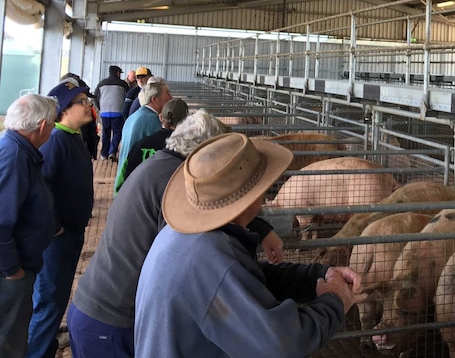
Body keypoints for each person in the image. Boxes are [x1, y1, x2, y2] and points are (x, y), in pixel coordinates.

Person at [68, 110, 286, 358]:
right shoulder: (176, 184)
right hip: (111, 322)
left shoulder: (162, 166)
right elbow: (201, 255)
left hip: (99, 311)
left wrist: (262, 229)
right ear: (205, 154)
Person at [134, 132, 364, 358]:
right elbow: (283, 344)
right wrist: (334, 301)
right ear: (253, 197)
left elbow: (245, 277)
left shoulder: (189, 236)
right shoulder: (211, 259)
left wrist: (317, 275)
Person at [26, 81, 96, 358]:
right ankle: (36, 352)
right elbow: (42, 189)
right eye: (81, 101)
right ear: (64, 110)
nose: (88, 105)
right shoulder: (55, 141)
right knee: (48, 301)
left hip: (70, 233)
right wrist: (55, 228)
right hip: (57, 239)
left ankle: (47, 344)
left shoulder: (72, 136)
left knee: (56, 297)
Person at [0, 95, 58, 358]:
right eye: (54, 123)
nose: (54, 128)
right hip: (10, 274)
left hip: (18, 266)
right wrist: (13, 272)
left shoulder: (20, 150)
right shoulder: (14, 158)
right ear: (43, 125)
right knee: (9, 341)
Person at [115, 77, 172, 194]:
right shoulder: (151, 120)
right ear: (155, 99)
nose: (171, 97)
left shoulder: (136, 116)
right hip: (135, 184)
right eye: (167, 93)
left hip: (124, 178)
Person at [122, 98, 189, 181]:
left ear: (160, 117)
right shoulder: (187, 149)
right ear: (187, 121)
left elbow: (125, 178)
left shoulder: (139, 145)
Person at [94, 65, 130, 161]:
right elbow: (129, 97)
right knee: (117, 132)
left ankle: (103, 154)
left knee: (105, 133)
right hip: (118, 112)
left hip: (104, 113)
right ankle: (112, 152)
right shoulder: (123, 84)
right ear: (118, 73)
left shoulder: (101, 84)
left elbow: (95, 96)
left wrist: (100, 107)